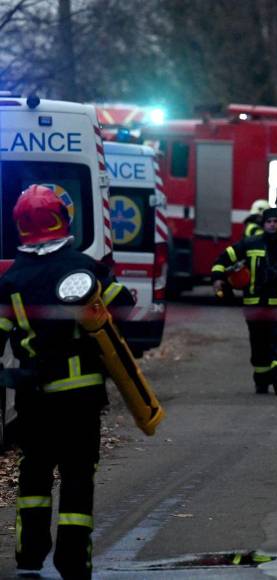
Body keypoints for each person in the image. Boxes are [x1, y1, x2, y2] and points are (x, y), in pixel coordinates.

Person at [0, 185, 134, 579]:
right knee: (77, 474)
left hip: (32, 396)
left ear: (21, 226)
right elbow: (123, 306)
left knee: (35, 472)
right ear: (63, 219)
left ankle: (29, 557)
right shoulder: (84, 267)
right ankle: (74, 562)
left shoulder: (10, 280)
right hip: (80, 395)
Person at [212, 208, 277, 395]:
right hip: (254, 305)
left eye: (275, 221)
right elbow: (223, 259)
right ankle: (262, 379)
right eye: (268, 221)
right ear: (263, 225)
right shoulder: (249, 245)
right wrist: (218, 278)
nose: (272, 224)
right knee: (258, 343)